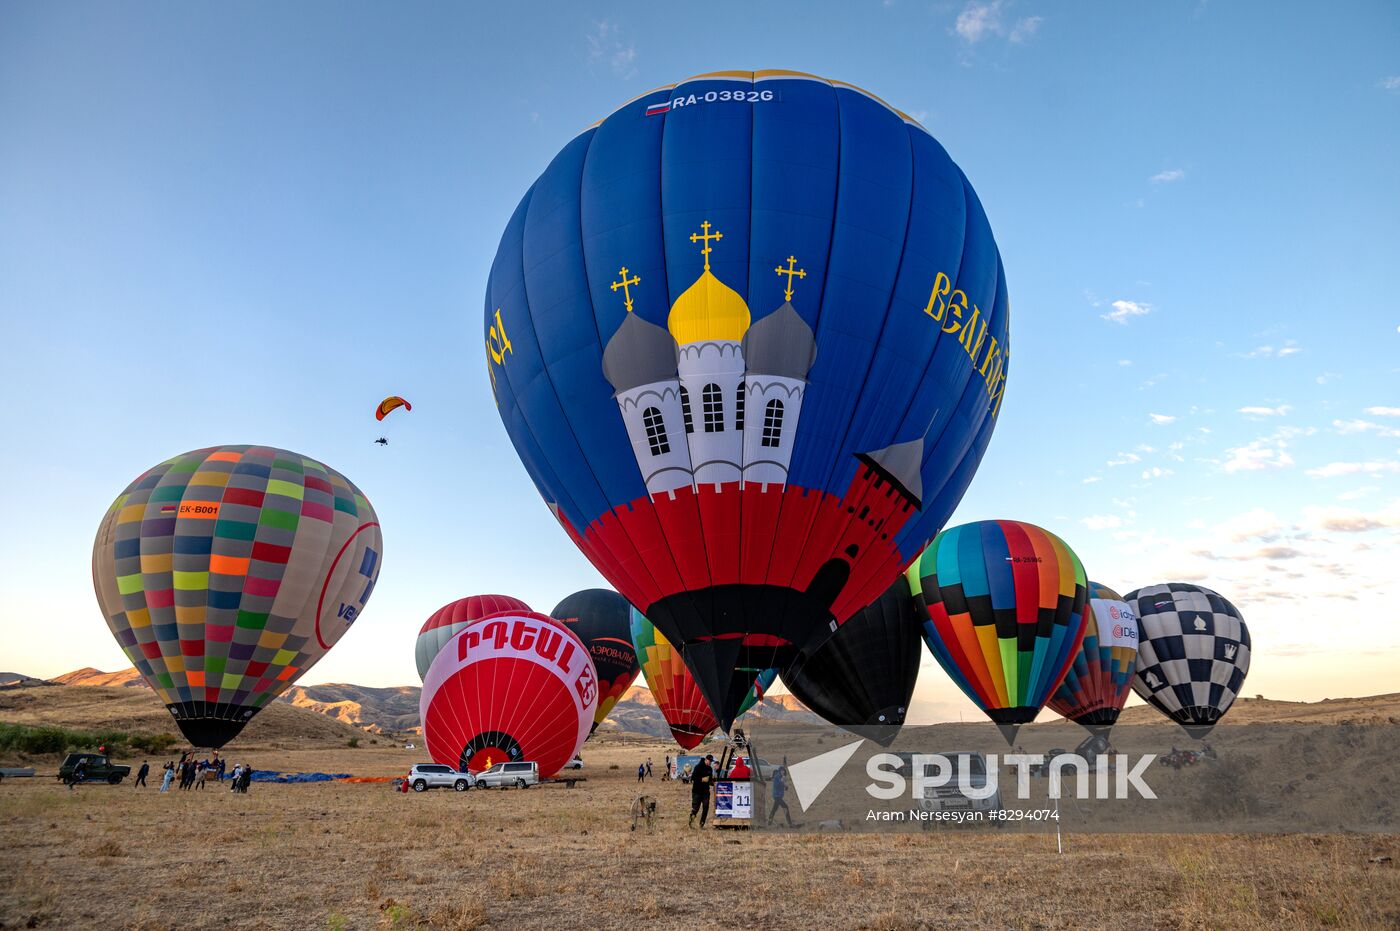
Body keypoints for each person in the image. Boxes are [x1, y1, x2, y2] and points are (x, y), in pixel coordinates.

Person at [689, 754, 716, 828]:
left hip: (706, 792)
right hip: (697, 791)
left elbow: (710, 780)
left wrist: (714, 783)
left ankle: (702, 824)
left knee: (706, 808)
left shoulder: (710, 769)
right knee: (695, 809)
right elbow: (693, 778)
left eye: (711, 761)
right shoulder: (698, 767)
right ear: (706, 760)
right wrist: (702, 779)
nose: (710, 762)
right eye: (709, 761)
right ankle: (691, 822)